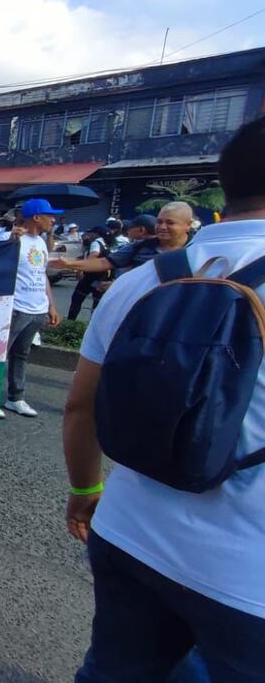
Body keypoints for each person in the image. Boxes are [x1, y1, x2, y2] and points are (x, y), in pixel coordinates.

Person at [63, 117, 265, 683]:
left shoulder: (142, 281)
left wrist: (84, 489)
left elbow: (81, 407)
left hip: (128, 531)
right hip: (248, 578)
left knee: (115, 671)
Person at [3, 199, 61, 418]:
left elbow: (42, 275)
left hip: (37, 309)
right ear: (36, 217)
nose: (53, 220)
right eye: (50, 215)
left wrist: (51, 306)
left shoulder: (41, 244)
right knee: (1, 354)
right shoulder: (15, 239)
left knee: (21, 355)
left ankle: (15, 398)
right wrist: (10, 241)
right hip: (16, 307)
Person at [51, 204, 193, 279]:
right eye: (159, 222)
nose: (162, 227)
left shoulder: (197, 250)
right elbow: (104, 262)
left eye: (170, 223)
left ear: (188, 224)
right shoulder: (140, 247)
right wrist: (69, 263)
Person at [66, 225, 112, 321]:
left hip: (90, 278)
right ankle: (93, 324)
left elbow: (93, 256)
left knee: (77, 299)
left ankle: (70, 323)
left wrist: (82, 269)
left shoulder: (96, 243)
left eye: (91, 232)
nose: (89, 234)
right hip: (101, 279)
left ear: (96, 234)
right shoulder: (106, 244)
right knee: (97, 302)